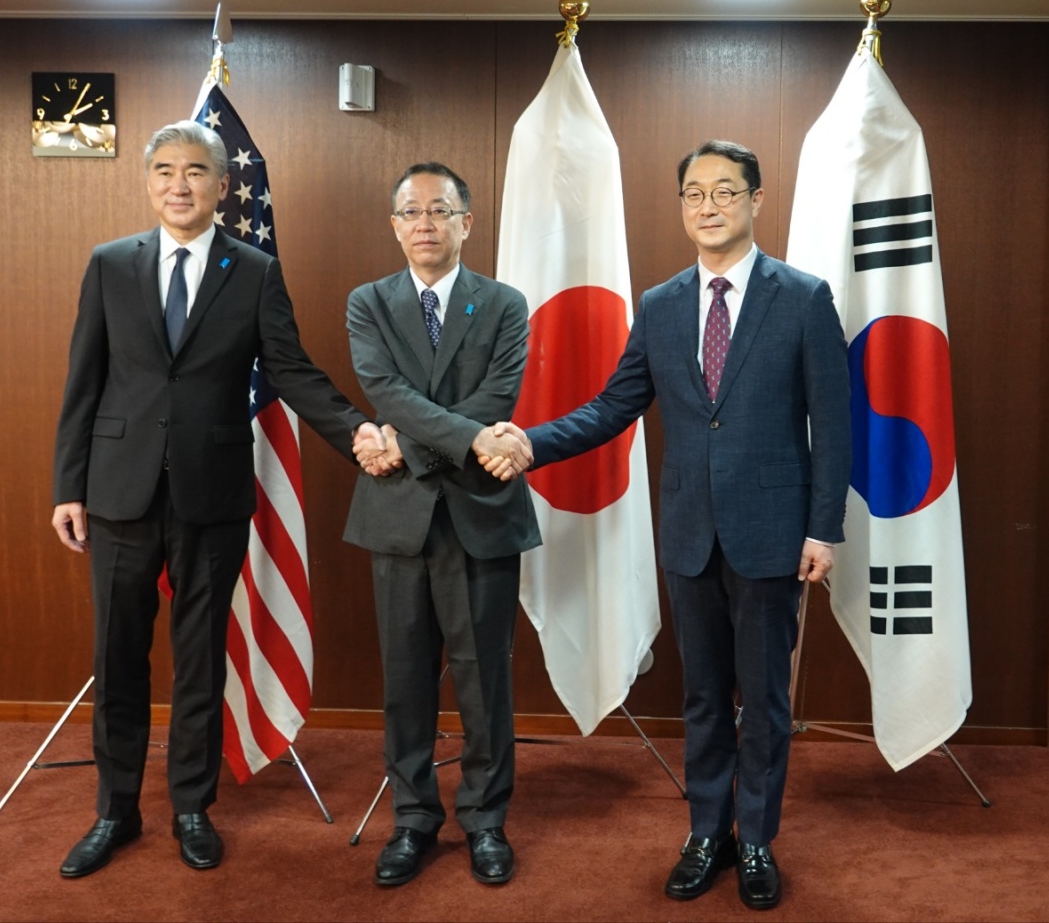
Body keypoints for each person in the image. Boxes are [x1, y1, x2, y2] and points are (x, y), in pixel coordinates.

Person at [483, 140, 850, 910]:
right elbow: (616, 406)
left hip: (775, 530)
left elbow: (835, 424)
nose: (707, 205)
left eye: (724, 191)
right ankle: (706, 831)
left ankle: (756, 840)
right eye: (693, 193)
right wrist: (531, 441)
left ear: (756, 199)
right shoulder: (660, 304)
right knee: (705, 697)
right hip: (687, 529)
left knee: (765, 698)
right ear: (680, 206)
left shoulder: (804, 296)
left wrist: (824, 529)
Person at [50, 120, 383, 878]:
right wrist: (68, 486)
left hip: (213, 494)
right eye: (164, 170)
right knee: (118, 656)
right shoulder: (109, 265)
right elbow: (84, 381)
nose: (179, 184)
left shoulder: (256, 270)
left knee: (200, 660)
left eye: (195, 171)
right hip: (118, 493)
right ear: (147, 182)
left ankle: (192, 809)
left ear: (223, 187)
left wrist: (358, 433)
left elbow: (292, 372)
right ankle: (116, 812)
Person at [344, 162, 540, 888]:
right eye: (409, 212)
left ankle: (486, 820)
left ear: (467, 222)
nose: (424, 223)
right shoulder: (368, 302)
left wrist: (408, 441)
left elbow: (498, 395)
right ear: (395, 225)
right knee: (405, 681)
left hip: (480, 515)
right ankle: (413, 818)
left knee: (485, 680)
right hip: (398, 518)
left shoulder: (504, 304)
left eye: (439, 210)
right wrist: (457, 440)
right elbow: (383, 388)